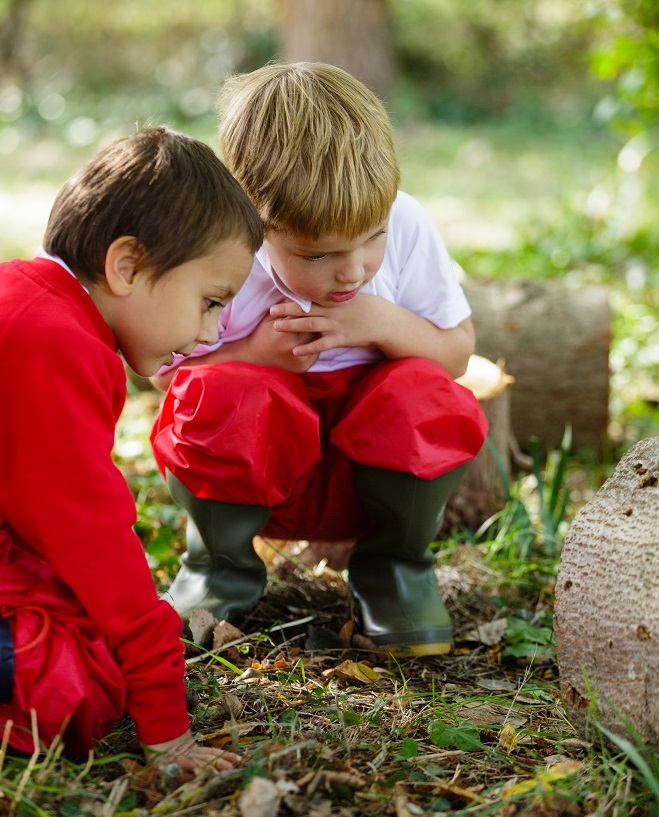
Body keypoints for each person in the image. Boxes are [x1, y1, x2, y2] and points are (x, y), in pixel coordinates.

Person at [150, 63, 489, 657]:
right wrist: (256, 354)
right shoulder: (218, 248)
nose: (354, 270)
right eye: (319, 254)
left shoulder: (406, 222)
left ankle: (394, 573)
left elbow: (458, 352)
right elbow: (165, 374)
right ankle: (218, 572)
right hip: (260, 482)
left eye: (372, 238)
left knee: (424, 392)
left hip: (372, 482)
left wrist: (385, 324)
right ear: (256, 222)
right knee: (221, 392)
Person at [0, 126, 263, 766]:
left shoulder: (29, 298)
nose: (208, 334)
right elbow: (91, 535)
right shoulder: (53, 344)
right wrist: (165, 722)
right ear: (127, 265)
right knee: (73, 686)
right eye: (209, 302)